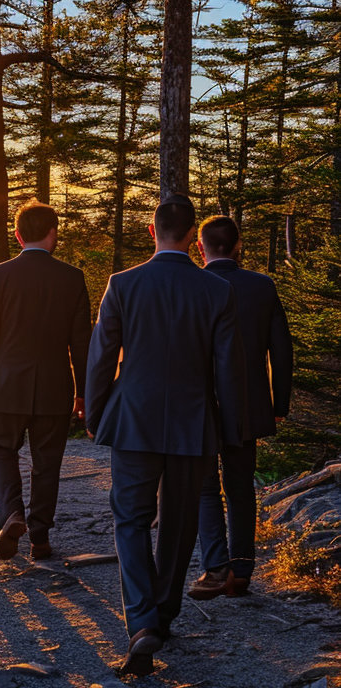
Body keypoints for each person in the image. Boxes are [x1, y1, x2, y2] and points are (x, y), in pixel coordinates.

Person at [85, 194, 244, 677]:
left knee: (130, 520)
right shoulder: (216, 292)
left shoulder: (123, 284)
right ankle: (164, 613)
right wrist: (229, 429)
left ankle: (142, 621)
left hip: (133, 419)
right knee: (178, 522)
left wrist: (95, 413)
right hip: (192, 423)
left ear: (152, 232)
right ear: (194, 237)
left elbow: (101, 355)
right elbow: (227, 371)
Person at [0, 199, 91, 562]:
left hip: (7, 384)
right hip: (55, 386)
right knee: (48, 461)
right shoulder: (72, 278)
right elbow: (81, 342)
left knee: (1, 450)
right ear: (53, 233)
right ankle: (39, 537)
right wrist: (84, 392)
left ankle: (12, 514)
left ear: (17, 234)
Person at [188, 215, 293, 600]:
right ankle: (243, 569)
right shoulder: (262, 286)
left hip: (197, 403)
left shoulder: (192, 283)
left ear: (200, 247)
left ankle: (215, 566)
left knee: (204, 488)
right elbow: (281, 349)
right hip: (247, 404)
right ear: (238, 246)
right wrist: (278, 403)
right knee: (240, 486)